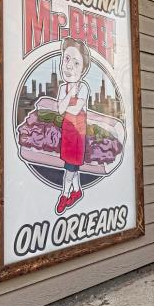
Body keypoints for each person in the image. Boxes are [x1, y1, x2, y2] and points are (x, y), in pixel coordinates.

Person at [56, 38, 91, 215]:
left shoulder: (84, 87)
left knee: (70, 168)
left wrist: (66, 103)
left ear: (83, 69)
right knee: (73, 166)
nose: (69, 66)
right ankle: (77, 191)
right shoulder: (63, 88)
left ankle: (65, 194)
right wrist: (70, 92)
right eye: (67, 59)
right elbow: (60, 109)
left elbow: (75, 109)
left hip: (78, 133)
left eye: (76, 63)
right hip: (67, 132)